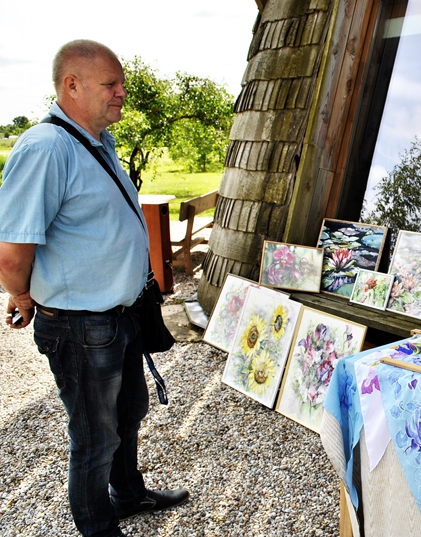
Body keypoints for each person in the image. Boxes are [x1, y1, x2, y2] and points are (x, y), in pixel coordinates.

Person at [0, 40, 188, 537]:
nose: (122, 93)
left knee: (128, 414)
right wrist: (20, 296)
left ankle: (127, 494)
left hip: (118, 317)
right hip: (82, 327)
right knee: (93, 437)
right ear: (72, 85)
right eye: (112, 84)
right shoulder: (45, 148)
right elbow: (11, 254)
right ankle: (98, 528)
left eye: (121, 83)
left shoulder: (95, 140)